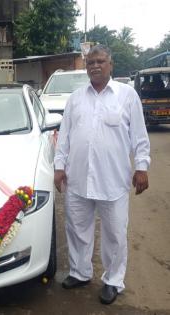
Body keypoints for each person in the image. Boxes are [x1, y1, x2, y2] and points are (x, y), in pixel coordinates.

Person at [54, 45, 150, 305]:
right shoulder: (75, 98)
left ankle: (112, 281)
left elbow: (139, 137)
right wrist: (59, 166)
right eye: (90, 62)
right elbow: (65, 137)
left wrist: (141, 167)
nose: (94, 66)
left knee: (115, 233)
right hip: (78, 178)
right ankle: (80, 272)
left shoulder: (127, 96)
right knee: (77, 229)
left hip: (112, 180)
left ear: (111, 64)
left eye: (100, 61)